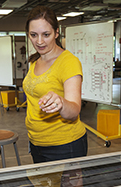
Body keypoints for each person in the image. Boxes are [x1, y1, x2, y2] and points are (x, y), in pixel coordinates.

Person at [22, 6, 87, 163]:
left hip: (65, 144)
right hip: (36, 142)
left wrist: (61, 103)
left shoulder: (68, 62)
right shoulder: (34, 61)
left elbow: (74, 110)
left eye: (46, 35)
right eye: (33, 35)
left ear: (56, 33)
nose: (39, 41)